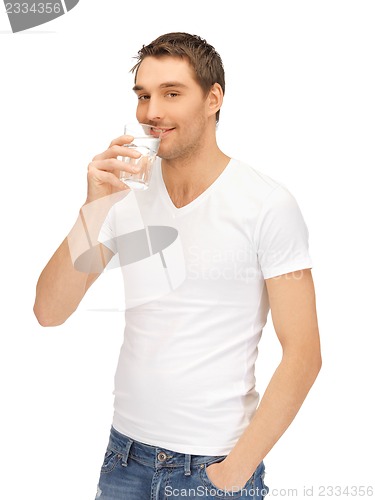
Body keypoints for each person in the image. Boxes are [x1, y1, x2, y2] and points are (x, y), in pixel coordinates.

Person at [33, 32, 322, 499]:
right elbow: (49, 311)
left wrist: (232, 473)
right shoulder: (123, 195)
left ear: (213, 98)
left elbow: (304, 354)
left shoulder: (266, 204)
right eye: (144, 96)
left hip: (211, 467)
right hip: (124, 458)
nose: (152, 112)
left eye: (171, 93)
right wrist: (93, 208)